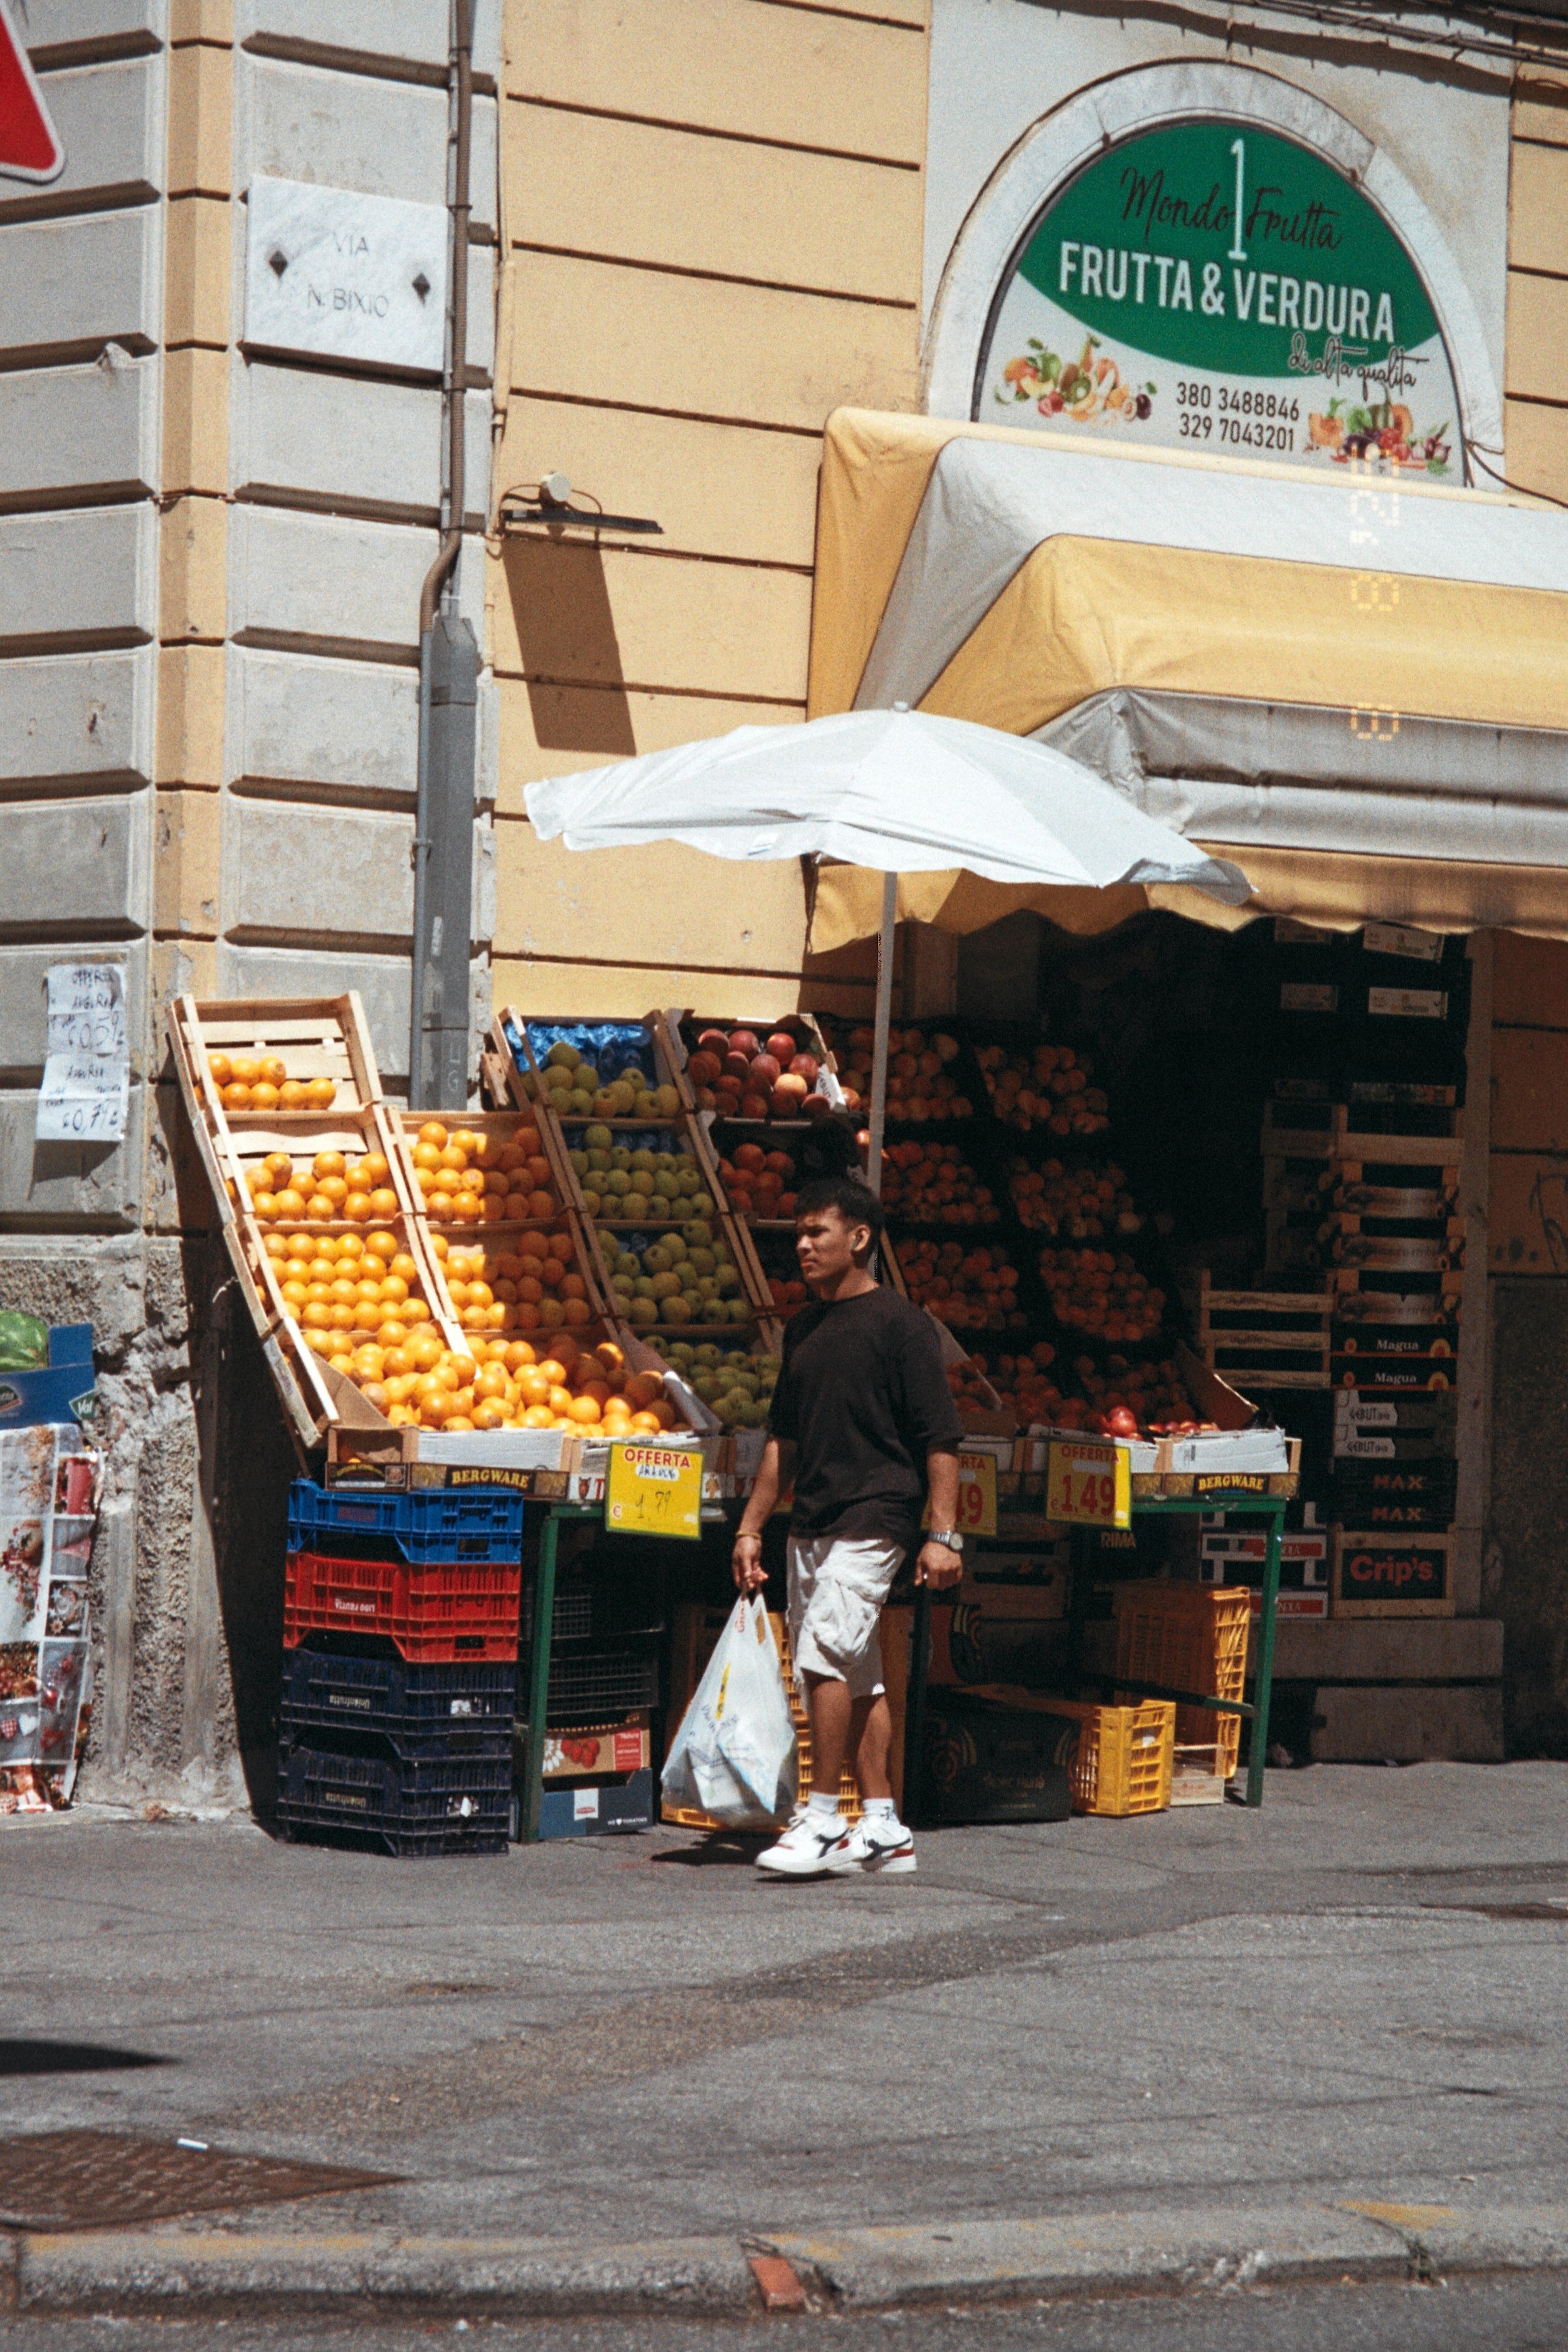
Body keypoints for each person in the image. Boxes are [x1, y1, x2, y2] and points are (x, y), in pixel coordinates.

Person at [731, 1174, 965, 1878]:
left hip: (878, 1513)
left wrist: (942, 1533)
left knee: (822, 1656)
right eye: (797, 1234)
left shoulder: (901, 1324)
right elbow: (784, 1442)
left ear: (859, 1238)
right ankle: (885, 1824)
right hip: (812, 1521)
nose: (801, 1245)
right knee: (855, 1673)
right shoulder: (802, 1328)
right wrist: (750, 1527)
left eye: (816, 1232)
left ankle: (824, 1816)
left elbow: (942, 1438)